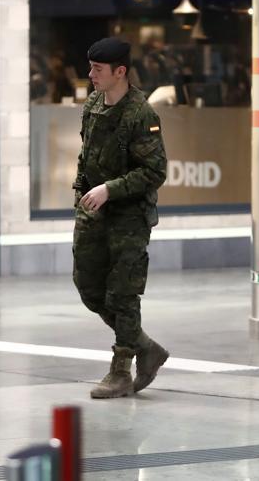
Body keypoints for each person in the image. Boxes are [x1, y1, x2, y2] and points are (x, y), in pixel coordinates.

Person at [72, 37, 170, 399]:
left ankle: (121, 371)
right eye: (91, 68)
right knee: (89, 288)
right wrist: (82, 195)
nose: (90, 75)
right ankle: (145, 346)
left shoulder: (141, 114)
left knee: (124, 294)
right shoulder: (94, 103)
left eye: (97, 70)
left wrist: (110, 189)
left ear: (120, 72)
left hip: (128, 217)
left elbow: (155, 171)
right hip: (93, 213)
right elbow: (86, 155)